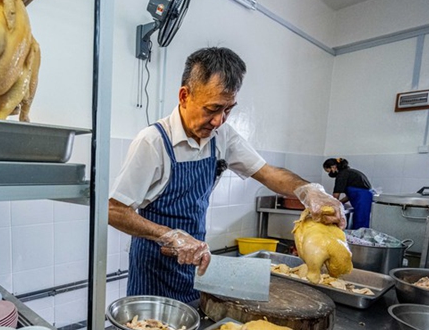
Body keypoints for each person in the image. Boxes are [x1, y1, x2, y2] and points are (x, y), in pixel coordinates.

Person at [109, 47, 345, 303]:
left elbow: (268, 173)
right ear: (185, 96)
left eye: (228, 110)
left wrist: (308, 190)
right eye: (212, 109)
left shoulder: (221, 136)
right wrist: (169, 235)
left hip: (195, 262)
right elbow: (114, 210)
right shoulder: (153, 142)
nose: (219, 120)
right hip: (152, 269)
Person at [322, 157, 374, 230]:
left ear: (333, 167)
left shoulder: (342, 175)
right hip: (364, 197)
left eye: (329, 171)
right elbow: (349, 196)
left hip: (362, 198)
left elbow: (336, 194)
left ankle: (359, 240)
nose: (329, 173)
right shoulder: (349, 172)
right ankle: (359, 238)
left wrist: (331, 206)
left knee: (361, 220)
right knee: (360, 218)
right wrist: (340, 202)